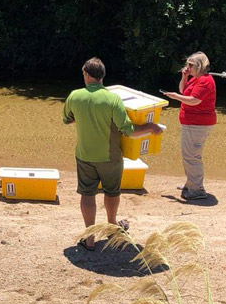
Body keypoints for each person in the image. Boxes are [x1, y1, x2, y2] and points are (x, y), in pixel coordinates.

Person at [63, 58, 162, 251]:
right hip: (110, 156)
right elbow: (129, 130)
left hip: (84, 154)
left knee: (87, 193)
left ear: (86, 74)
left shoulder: (75, 96)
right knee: (112, 191)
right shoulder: (113, 99)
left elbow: (67, 119)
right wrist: (150, 127)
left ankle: (89, 238)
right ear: (102, 76)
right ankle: (111, 226)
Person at [163, 51, 217, 201]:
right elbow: (183, 90)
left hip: (198, 124)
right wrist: (184, 77)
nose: (187, 67)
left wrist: (175, 97)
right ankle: (192, 184)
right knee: (189, 155)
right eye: (187, 64)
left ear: (199, 66)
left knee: (192, 156)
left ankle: (197, 189)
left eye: (190, 65)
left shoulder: (205, 81)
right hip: (193, 123)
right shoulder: (196, 79)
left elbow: (193, 100)